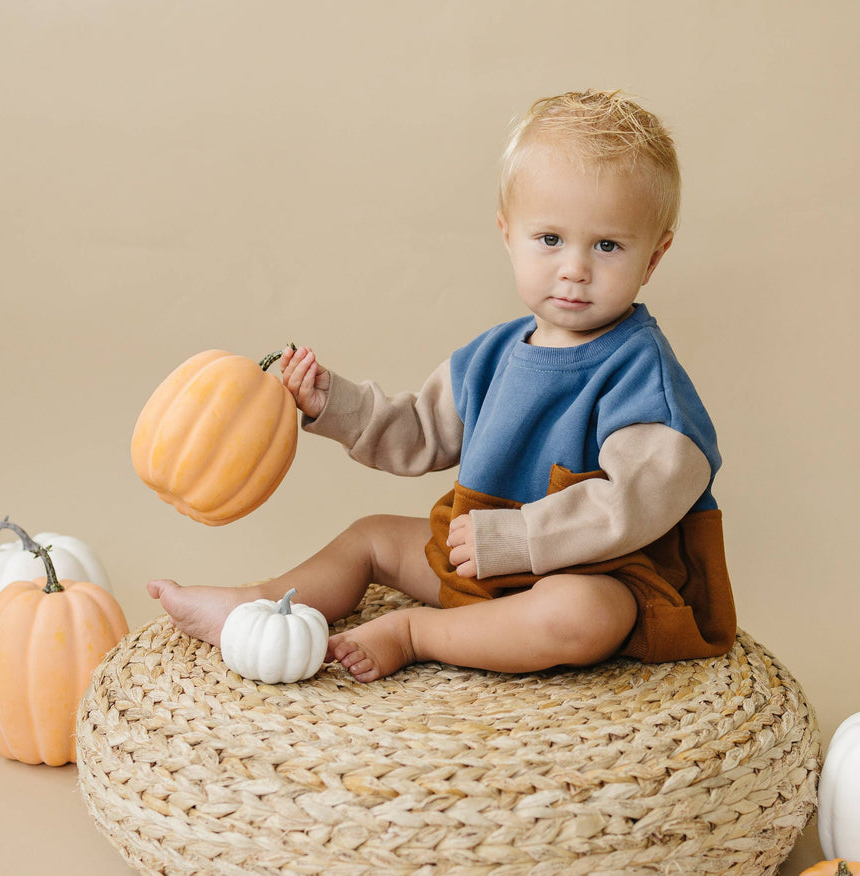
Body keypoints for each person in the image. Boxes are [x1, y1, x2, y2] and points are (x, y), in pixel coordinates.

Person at [147, 89, 736, 682]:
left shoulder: (641, 374)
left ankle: (414, 633)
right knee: (371, 538)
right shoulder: (491, 355)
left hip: (596, 569)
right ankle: (261, 606)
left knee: (582, 614)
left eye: (607, 246)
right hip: (475, 556)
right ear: (509, 234)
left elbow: (638, 500)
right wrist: (334, 403)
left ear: (653, 259)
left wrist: (521, 539)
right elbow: (419, 430)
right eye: (550, 239)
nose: (574, 268)